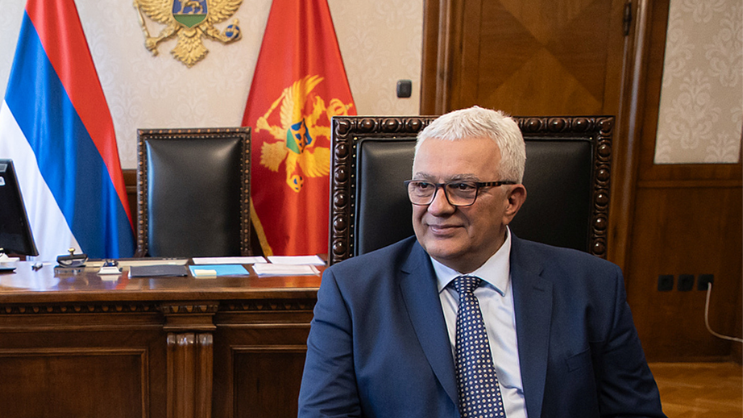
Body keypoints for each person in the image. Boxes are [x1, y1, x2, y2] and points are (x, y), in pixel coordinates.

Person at [298, 106, 665, 418]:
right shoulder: (351, 292)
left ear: (511, 202)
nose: (437, 207)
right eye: (423, 186)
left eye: (463, 187)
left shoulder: (594, 285)